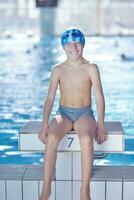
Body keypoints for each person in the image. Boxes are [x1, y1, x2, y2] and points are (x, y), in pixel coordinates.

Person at [38, 28, 108, 200]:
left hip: (84, 113)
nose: (73, 47)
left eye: (77, 43)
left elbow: (99, 96)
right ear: (63, 47)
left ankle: (84, 189)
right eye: (69, 43)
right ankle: (46, 187)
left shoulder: (91, 68)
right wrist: (44, 124)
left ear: (83, 44)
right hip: (63, 112)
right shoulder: (58, 70)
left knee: (86, 139)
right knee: (52, 138)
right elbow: (50, 97)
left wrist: (101, 123)